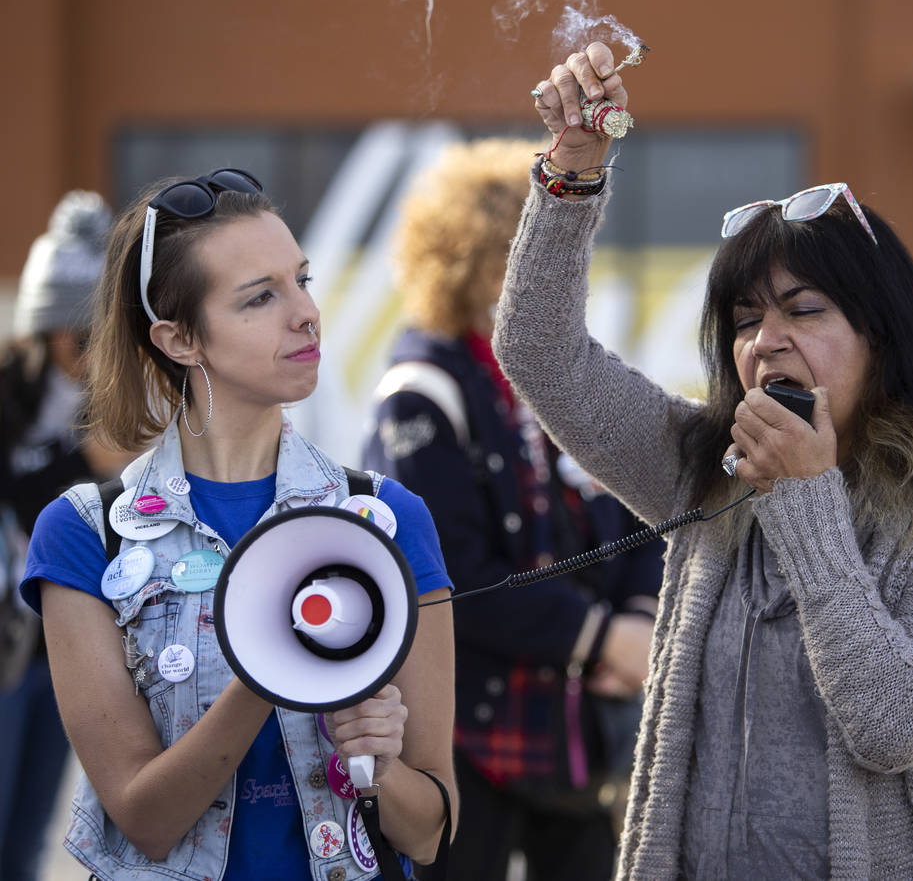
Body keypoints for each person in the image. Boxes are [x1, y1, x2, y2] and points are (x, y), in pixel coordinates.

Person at [492, 42, 913, 880]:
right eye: (745, 319)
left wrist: (809, 496)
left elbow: (893, 723)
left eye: (803, 310)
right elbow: (538, 351)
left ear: (883, 337)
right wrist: (572, 172)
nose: (766, 340)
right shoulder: (705, 465)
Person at [19, 168, 457, 881]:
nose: (305, 313)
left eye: (302, 280)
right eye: (260, 297)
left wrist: (379, 768)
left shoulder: (385, 517)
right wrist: (271, 661)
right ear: (181, 338)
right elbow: (145, 820)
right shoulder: (83, 534)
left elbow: (432, 830)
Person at [362, 137, 663, 881]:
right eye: (518, 252)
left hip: (581, 731)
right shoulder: (420, 392)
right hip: (468, 737)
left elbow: (641, 510)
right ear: (467, 261)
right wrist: (601, 637)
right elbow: (452, 578)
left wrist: (644, 617)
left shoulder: (558, 375)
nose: (542, 272)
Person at [0, 190, 129, 881]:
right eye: (83, 336)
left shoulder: (113, 406)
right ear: (46, 331)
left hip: (68, 644)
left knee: (29, 839)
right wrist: (81, 464)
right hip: (3, 644)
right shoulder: (6, 399)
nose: (91, 352)